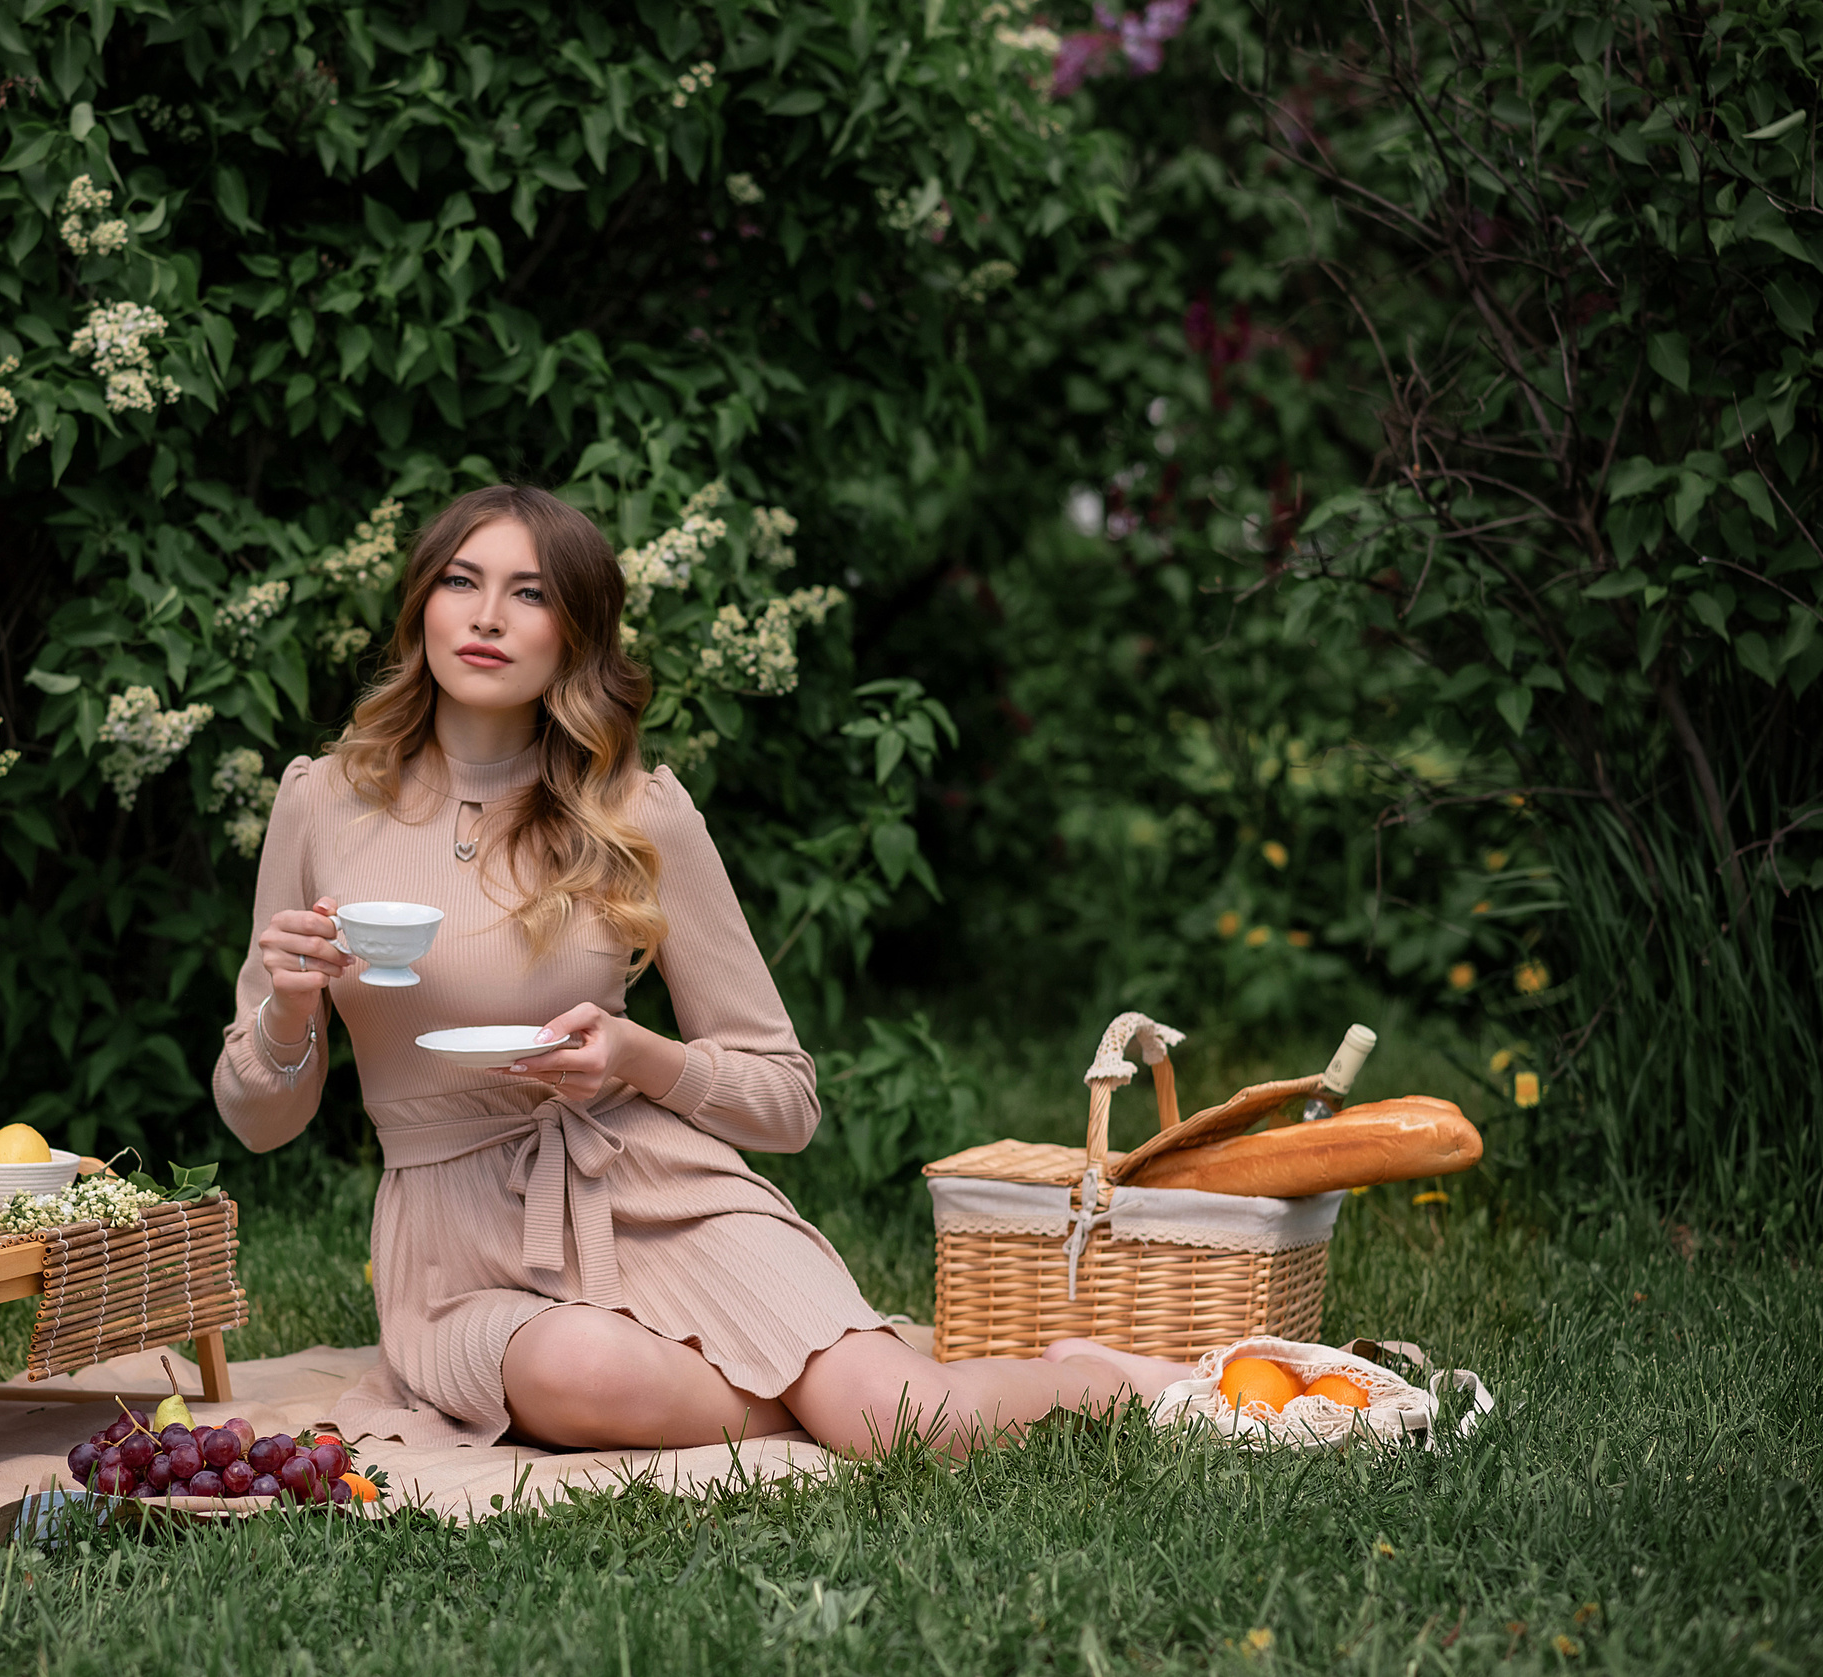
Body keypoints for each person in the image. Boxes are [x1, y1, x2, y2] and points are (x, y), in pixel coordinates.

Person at [212, 485, 1182, 1455]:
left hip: (658, 1192)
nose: (488, 615)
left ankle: (1104, 1375)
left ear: (576, 633)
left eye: (530, 593)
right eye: (461, 581)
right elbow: (259, 1120)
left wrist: (638, 1056)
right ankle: (810, 1395)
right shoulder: (323, 802)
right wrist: (288, 1008)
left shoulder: (638, 812)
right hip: (454, 1251)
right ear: (422, 601)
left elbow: (786, 1101)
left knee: (907, 1424)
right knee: (583, 1370)